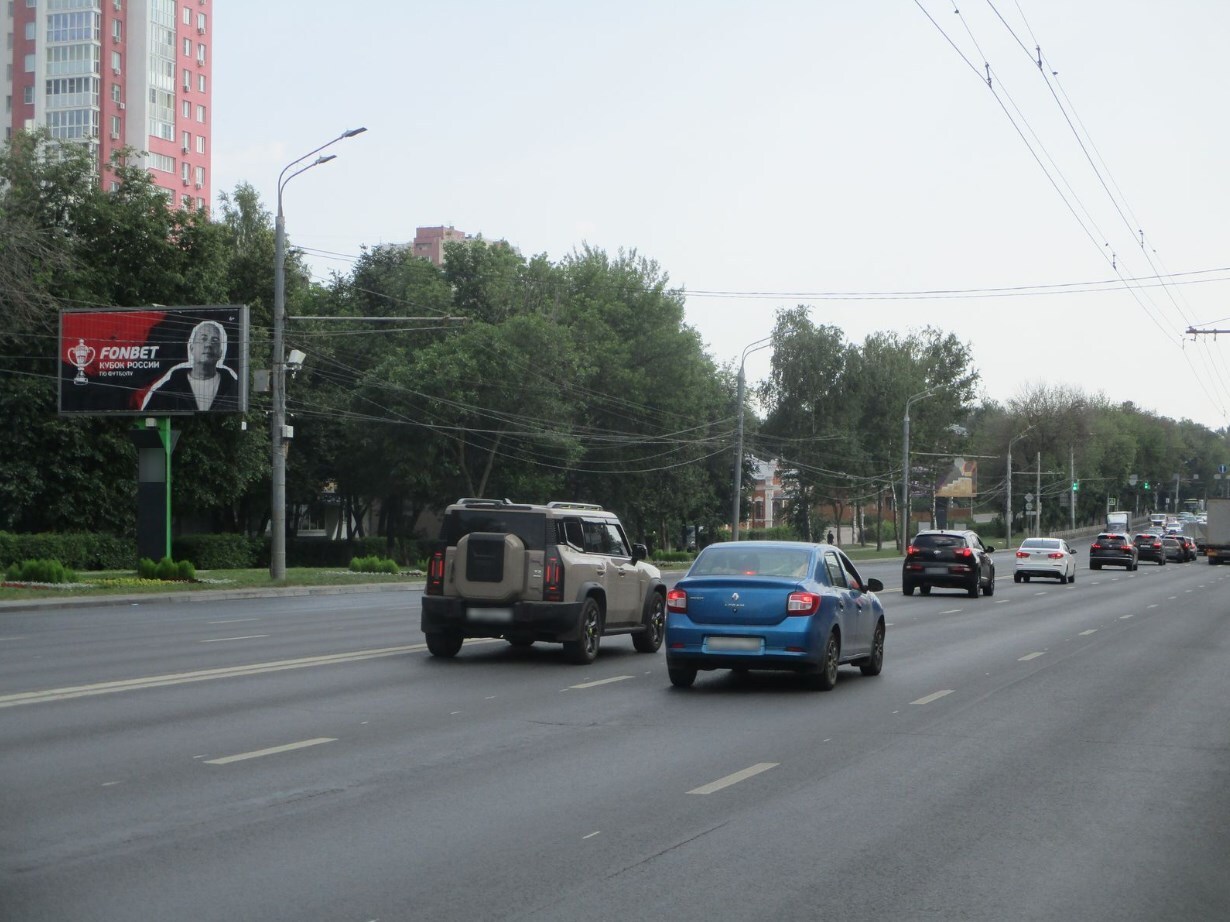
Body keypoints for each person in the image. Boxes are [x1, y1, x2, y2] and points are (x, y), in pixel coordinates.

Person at [141, 320, 239, 412]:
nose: (208, 344)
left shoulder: (234, 389)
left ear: (221, 353)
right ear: (192, 348)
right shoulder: (167, 391)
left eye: (215, 340)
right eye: (203, 339)